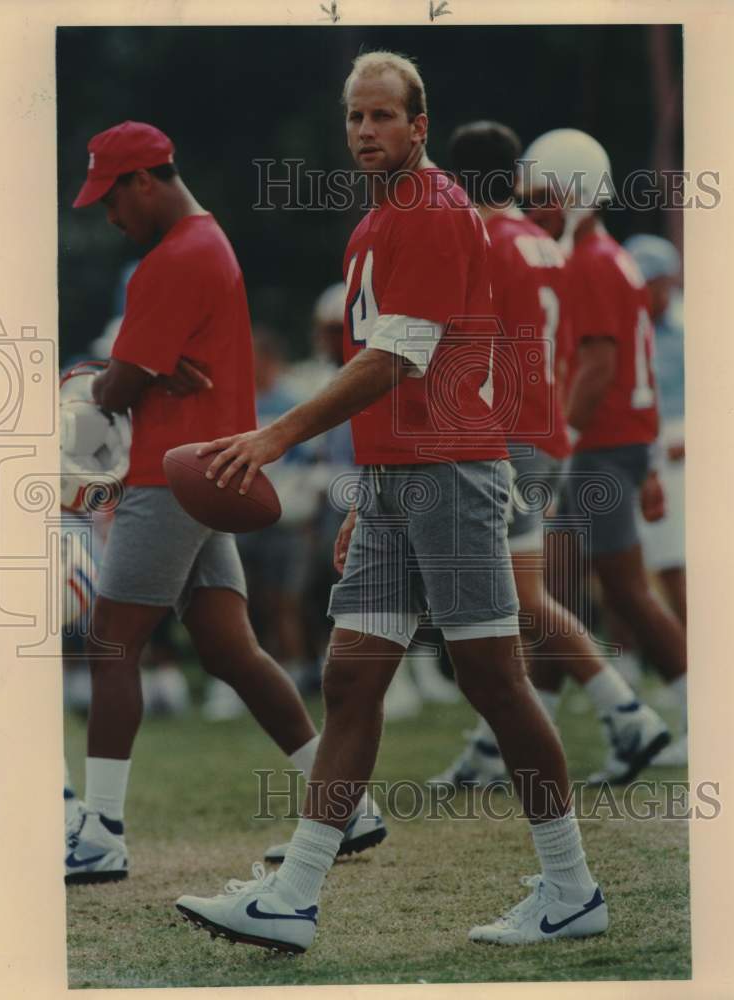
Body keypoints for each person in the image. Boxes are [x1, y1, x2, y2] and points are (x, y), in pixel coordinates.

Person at [176, 51, 607, 952]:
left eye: (383, 117)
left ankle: (571, 887)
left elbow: (396, 360)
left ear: (419, 124)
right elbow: (384, 377)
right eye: (355, 118)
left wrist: (273, 437)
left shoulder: (435, 209)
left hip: (450, 472)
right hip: (400, 481)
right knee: (349, 676)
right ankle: (293, 898)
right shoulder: (379, 218)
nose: (366, 131)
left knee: (493, 679)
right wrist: (368, 496)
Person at [65, 121, 384, 884]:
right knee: (231, 651)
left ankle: (102, 831)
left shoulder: (171, 259)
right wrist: (141, 369)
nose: (109, 217)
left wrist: (124, 373)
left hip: (170, 476)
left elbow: (113, 388)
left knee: (112, 641)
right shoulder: (207, 246)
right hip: (211, 472)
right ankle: (347, 810)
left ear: (144, 181)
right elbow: (141, 371)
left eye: (111, 199)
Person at [428, 121, 669, 790]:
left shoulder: (482, 242)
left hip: (504, 435)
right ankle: (495, 745)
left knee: (509, 601)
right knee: (513, 600)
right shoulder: (545, 247)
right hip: (546, 432)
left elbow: (467, 345)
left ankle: (625, 710)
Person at [521, 129, 688, 782]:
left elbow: (598, 368)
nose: (533, 207)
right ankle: (524, 736)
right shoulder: (608, 257)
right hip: (614, 446)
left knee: (607, 590)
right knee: (559, 591)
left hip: (595, 448)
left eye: (542, 193)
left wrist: (556, 442)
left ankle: (681, 718)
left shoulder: (588, 261)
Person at [622, 233, 687, 766]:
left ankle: (702, 705)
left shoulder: (691, 329)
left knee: (676, 579)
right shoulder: (628, 326)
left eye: (653, 284)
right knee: (642, 578)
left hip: (685, 463)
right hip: (646, 457)